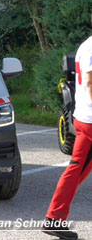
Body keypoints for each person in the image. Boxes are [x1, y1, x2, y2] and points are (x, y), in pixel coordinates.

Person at [42, 21, 92, 240]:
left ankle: (54, 217)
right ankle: (53, 218)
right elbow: (90, 83)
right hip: (90, 120)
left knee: (77, 169)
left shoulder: (85, 46)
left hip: (84, 117)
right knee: (76, 169)